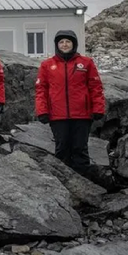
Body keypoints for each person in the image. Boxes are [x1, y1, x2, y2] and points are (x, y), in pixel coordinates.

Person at [35, 30, 105, 173]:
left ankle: (84, 183)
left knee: (80, 148)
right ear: (57, 45)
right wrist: (42, 111)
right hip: (58, 115)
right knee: (62, 148)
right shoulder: (47, 65)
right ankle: (63, 183)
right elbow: (41, 90)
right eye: (61, 42)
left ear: (74, 44)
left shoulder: (86, 63)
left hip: (82, 115)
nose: (65, 44)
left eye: (68, 41)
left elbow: (95, 87)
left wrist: (98, 108)